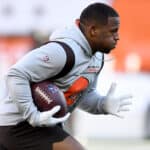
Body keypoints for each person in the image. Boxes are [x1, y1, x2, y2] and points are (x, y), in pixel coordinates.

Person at [0, 3, 132, 150]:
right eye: (112, 32)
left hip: (44, 124)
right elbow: (16, 74)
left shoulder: (98, 57)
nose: (117, 37)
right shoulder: (62, 52)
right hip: (17, 124)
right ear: (93, 30)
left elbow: (82, 96)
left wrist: (101, 104)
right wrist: (33, 115)